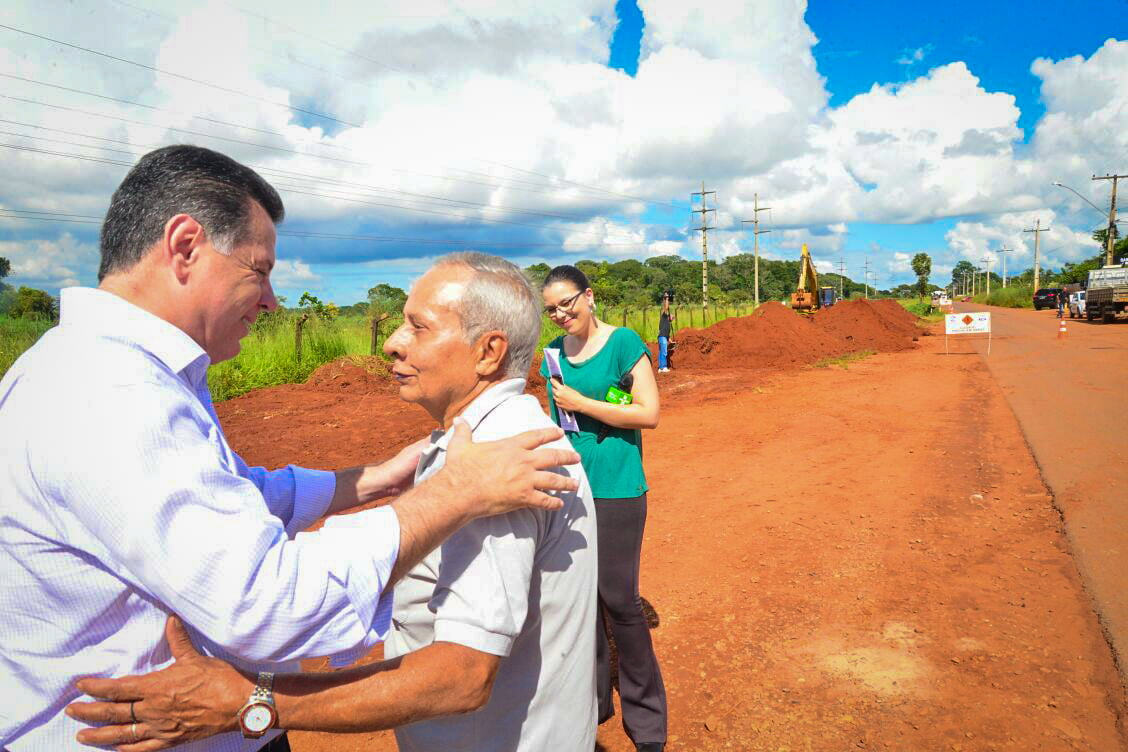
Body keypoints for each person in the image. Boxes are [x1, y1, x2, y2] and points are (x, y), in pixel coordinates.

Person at [0, 146, 580, 752]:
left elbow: (225, 497)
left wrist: (372, 480)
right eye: (259, 268)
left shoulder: (114, 376)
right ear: (184, 247)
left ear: (488, 351)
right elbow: (269, 602)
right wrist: (456, 492)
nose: (272, 298)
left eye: (420, 326)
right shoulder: (109, 393)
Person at [540, 266, 667, 752]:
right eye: (551, 308)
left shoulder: (623, 343)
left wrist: (582, 402)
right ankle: (591, 703)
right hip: (574, 489)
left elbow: (647, 413)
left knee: (619, 602)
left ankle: (647, 721)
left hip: (617, 488)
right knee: (581, 602)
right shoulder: (552, 355)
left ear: (589, 297)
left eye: (567, 303)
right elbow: (562, 424)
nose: (560, 314)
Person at [657, 292, 673, 373]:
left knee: (661, 352)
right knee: (664, 351)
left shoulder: (667, 324)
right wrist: (667, 299)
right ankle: (664, 367)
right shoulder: (664, 316)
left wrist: (670, 340)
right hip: (662, 336)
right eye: (671, 315)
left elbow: (667, 334)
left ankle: (660, 368)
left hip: (662, 336)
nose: (672, 316)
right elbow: (666, 308)